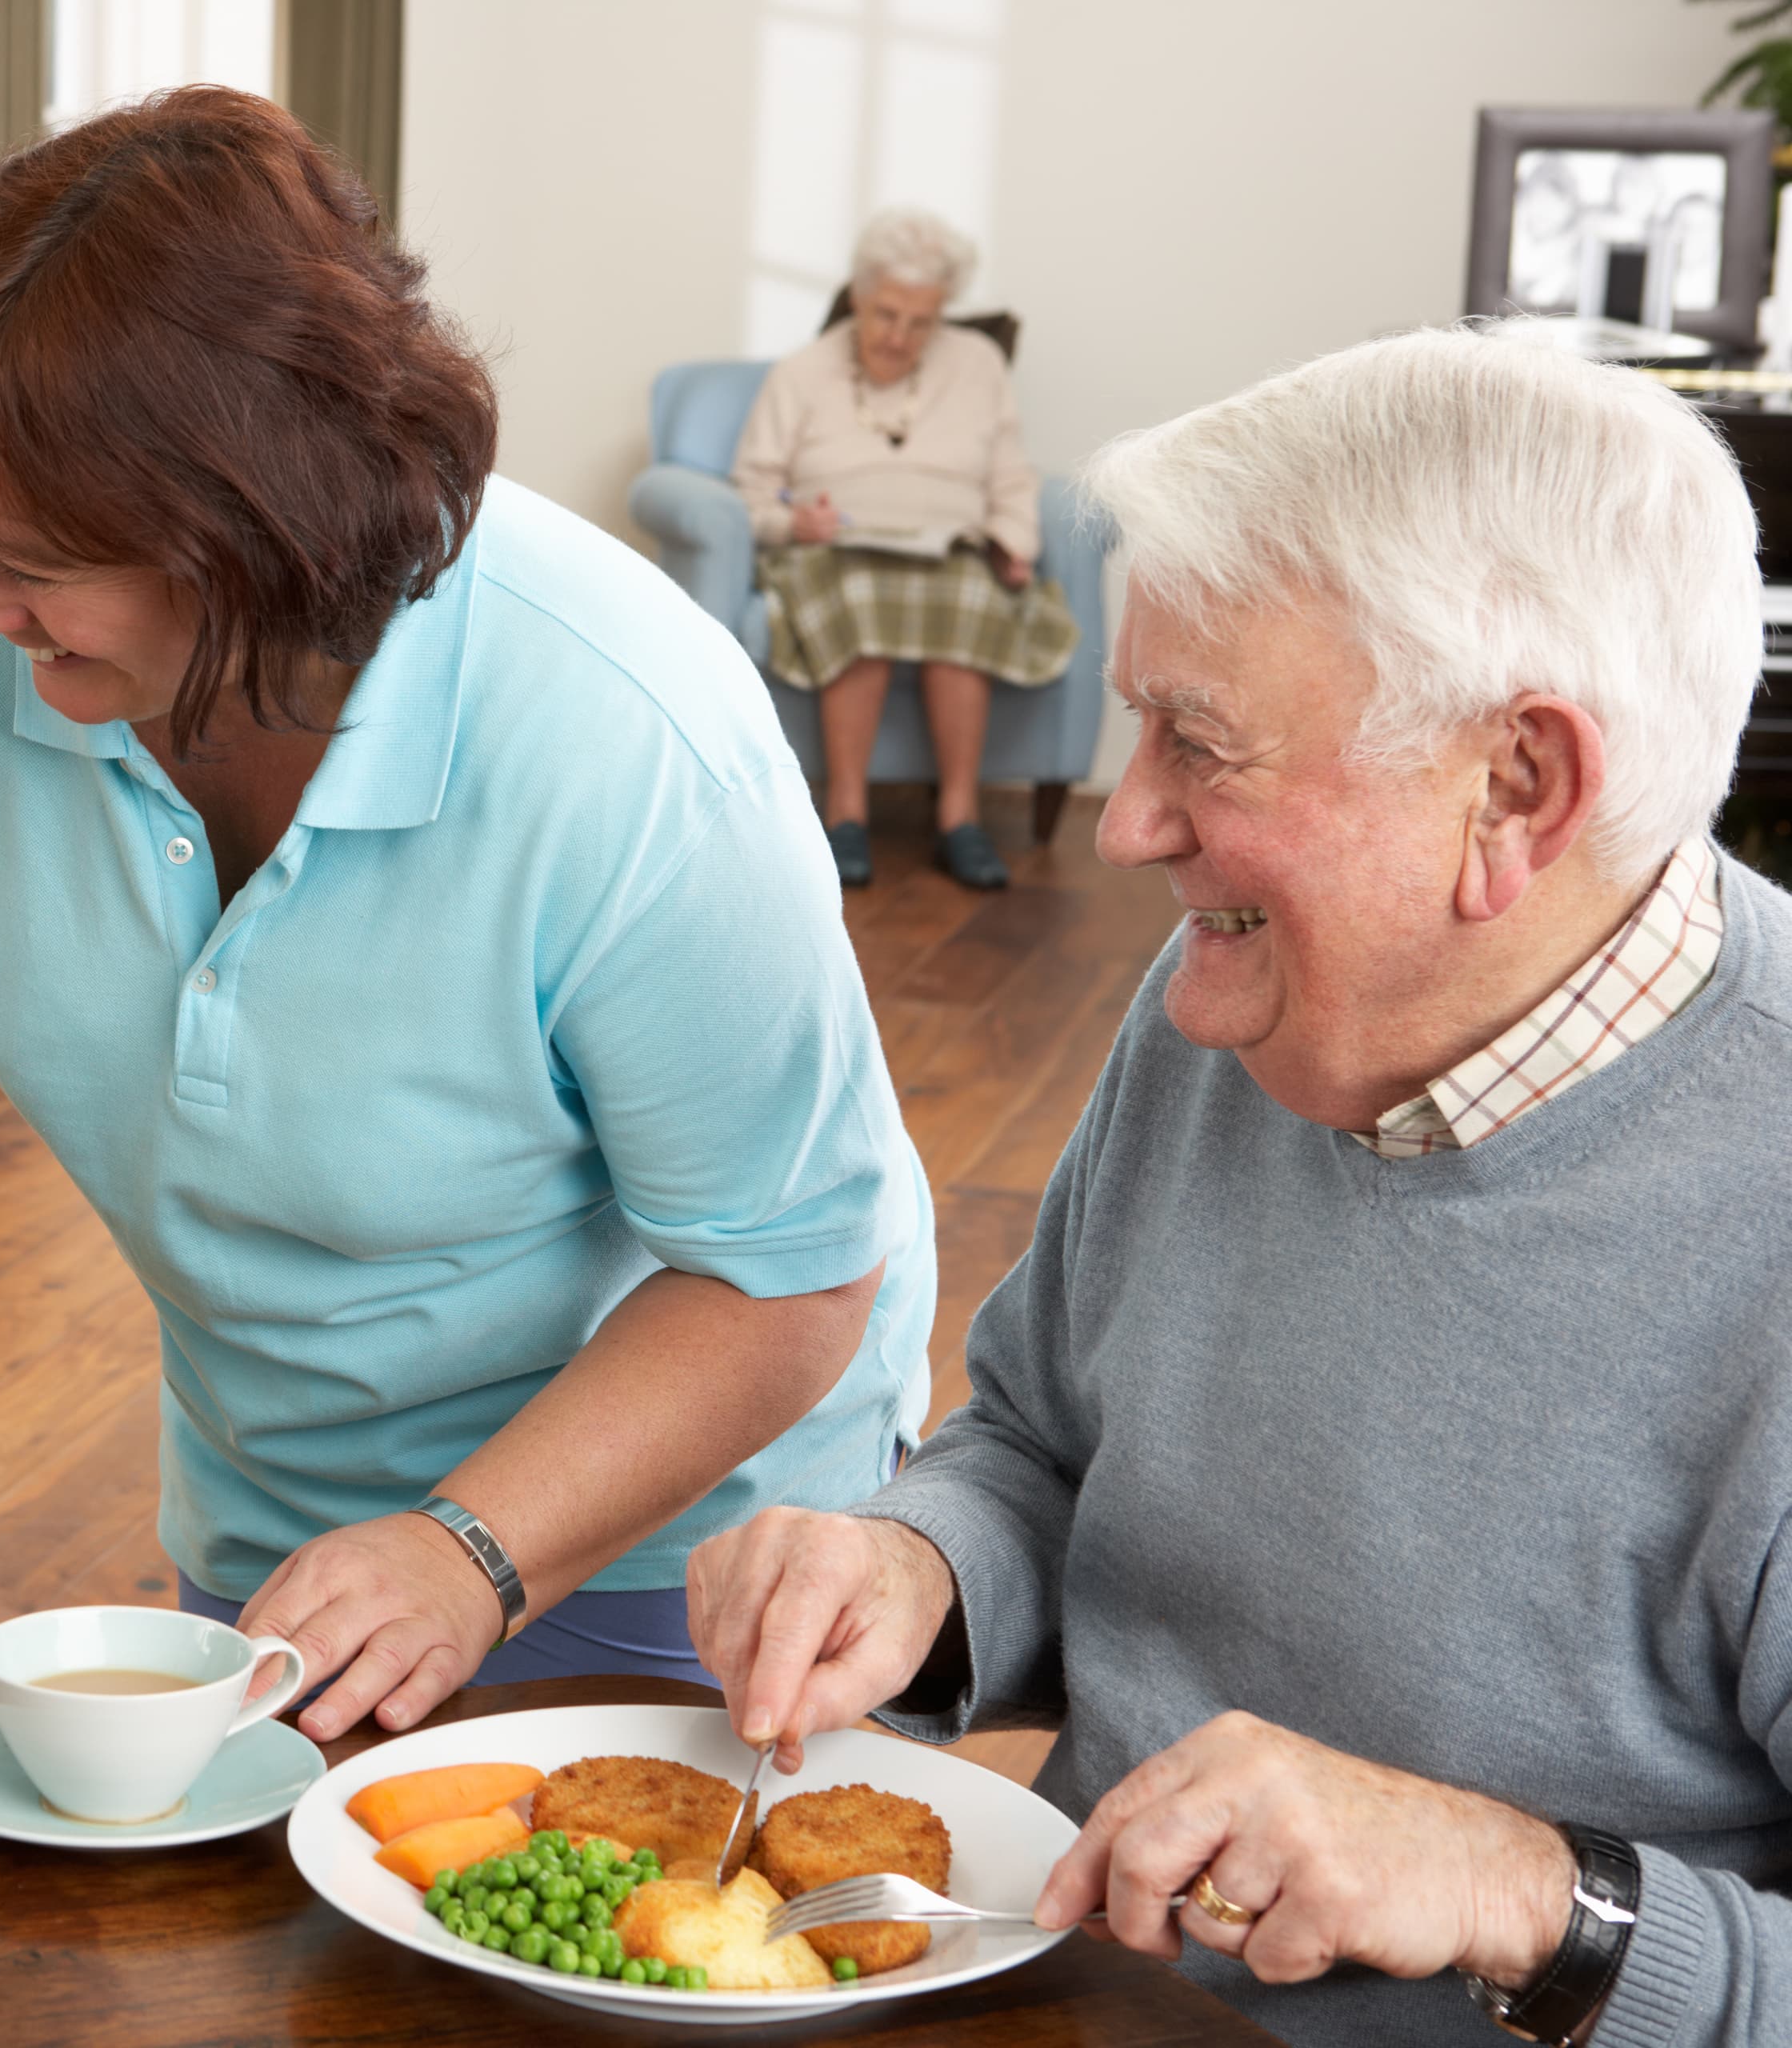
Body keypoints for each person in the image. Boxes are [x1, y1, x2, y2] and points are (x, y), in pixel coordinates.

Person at [0, 87, 938, 1745]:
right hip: (284, 1533)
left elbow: (786, 1277)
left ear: (255, 531)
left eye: (27, 556)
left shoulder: (630, 738)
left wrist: (473, 1547)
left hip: (687, 1548)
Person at [686, 329, 1790, 2046]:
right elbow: (1044, 1437)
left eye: (1199, 744)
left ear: (1518, 786)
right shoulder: (1240, 997)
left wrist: (1517, 1886)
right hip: (1063, 1991)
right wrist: (921, 1567)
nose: (1127, 824)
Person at [730, 207, 1077, 892]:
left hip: (950, 548)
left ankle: (960, 819)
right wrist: (791, 524)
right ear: (857, 297)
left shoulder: (976, 364)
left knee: (970, 598)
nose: (898, 336)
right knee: (858, 597)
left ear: (942, 313)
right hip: (833, 550)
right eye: (886, 314)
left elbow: (1011, 472)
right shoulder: (802, 372)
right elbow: (751, 490)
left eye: (921, 322)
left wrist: (1014, 543)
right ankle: (847, 815)